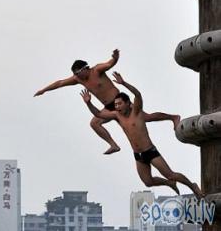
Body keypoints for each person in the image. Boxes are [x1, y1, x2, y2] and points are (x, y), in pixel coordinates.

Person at [81, 72, 204, 198]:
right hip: (138, 155)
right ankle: (169, 183)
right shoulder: (117, 115)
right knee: (148, 182)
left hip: (150, 152)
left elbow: (138, 94)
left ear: (128, 103)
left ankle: (192, 186)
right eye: (116, 105)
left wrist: (124, 83)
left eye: (120, 104)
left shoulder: (137, 112)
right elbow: (99, 114)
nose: (117, 107)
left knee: (170, 174)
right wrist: (88, 103)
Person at [34, 49, 180, 154]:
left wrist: (115, 58)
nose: (78, 77)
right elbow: (60, 83)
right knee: (94, 123)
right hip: (107, 107)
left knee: (146, 118)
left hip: (118, 101)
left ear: (85, 68)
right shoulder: (78, 79)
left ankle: (173, 117)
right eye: (75, 74)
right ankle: (113, 145)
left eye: (79, 73)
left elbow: (110, 63)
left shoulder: (97, 70)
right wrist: (44, 90)